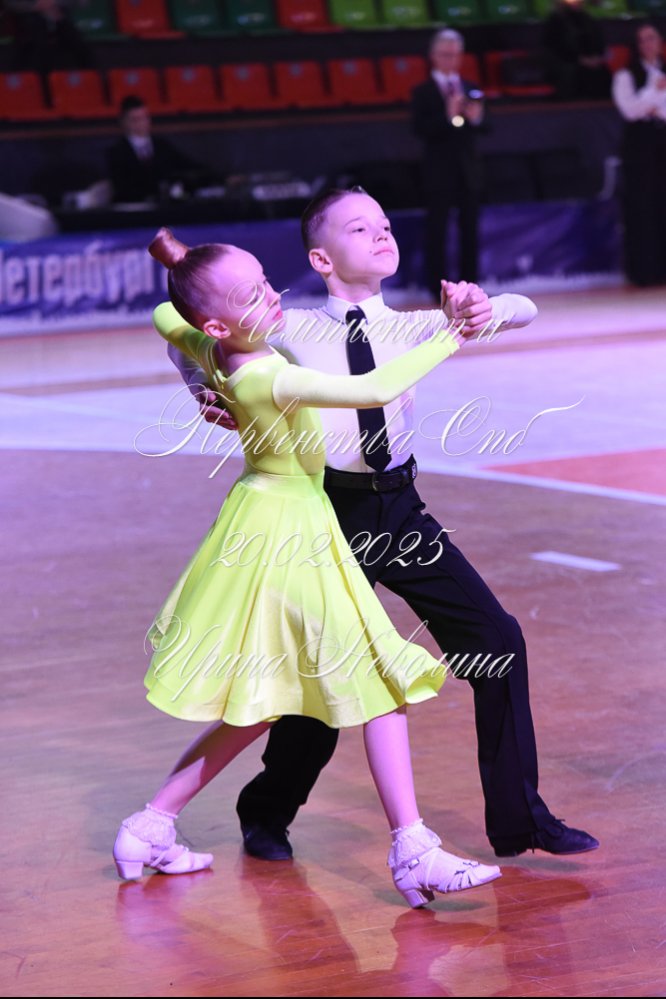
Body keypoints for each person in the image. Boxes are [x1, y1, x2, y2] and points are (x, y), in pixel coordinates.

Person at [165, 187, 600, 864]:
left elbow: (526, 309)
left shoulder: (412, 326)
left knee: (497, 640)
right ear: (321, 258)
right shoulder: (289, 328)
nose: (380, 234)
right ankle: (267, 811)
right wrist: (201, 387)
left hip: (399, 510)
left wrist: (483, 306)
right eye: (359, 228)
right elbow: (186, 332)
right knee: (323, 677)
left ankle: (522, 820)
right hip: (323, 515)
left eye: (386, 225)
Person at [114, 227, 503, 907]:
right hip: (290, 533)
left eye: (266, 281)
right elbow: (375, 385)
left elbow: (165, 314)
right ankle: (413, 849)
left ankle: (150, 826)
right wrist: (452, 335)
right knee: (380, 679)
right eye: (251, 295)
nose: (272, 296)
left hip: (266, 520)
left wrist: (185, 265)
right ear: (217, 323)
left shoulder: (209, 346)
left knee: (261, 704)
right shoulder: (268, 374)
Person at [410, 28, 485, 298]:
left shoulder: (470, 87)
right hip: (438, 171)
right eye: (445, 54)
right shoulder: (423, 92)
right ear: (433, 56)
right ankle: (438, 289)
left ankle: (470, 287)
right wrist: (448, 116)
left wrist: (475, 117)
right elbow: (419, 129)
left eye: (455, 55)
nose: (451, 60)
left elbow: (486, 127)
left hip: (468, 171)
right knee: (437, 231)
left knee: (470, 230)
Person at [611, 22, 666, 287]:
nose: (647, 44)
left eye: (651, 38)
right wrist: (655, 92)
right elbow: (630, 110)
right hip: (640, 145)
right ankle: (645, 271)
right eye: (642, 40)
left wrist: (653, 105)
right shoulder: (625, 75)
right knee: (642, 205)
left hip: (663, 139)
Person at [107, 96, 202, 204]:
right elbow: (122, 187)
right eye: (135, 120)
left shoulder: (162, 146)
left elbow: (187, 165)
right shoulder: (116, 152)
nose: (141, 124)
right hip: (134, 207)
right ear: (123, 122)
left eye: (144, 118)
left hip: (165, 205)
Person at [541, 0, 611, 100]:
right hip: (567, 65)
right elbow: (555, 48)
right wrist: (580, 59)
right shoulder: (554, 21)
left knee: (601, 76)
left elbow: (598, 41)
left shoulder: (587, 19)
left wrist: (596, 57)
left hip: (592, 63)